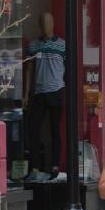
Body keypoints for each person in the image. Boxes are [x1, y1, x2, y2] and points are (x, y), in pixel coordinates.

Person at [25, 12, 66, 178]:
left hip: (56, 91)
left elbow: (69, 69)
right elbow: (29, 70)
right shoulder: (34, 45)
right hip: (39, 92)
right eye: (41, 22)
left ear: (53, 23)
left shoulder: (62, 45)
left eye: (48, 22)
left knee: (55, 130)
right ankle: (35, 166)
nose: (45, 25)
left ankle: (55, 165)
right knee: (33, 130)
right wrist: (26, 94)